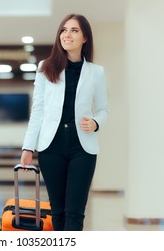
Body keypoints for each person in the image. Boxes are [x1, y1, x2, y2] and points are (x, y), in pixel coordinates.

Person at [20, 13, 108, 231]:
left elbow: (104, 109)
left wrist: (96, 123)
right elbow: (37, 110)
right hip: (51, 147)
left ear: (85, 37)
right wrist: (28, 147)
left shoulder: (96, 72)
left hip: (83, 148)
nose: (67, 35)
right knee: (57, 211)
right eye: (64, 30)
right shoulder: (45, 67)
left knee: (75, 212)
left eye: (74, 30)